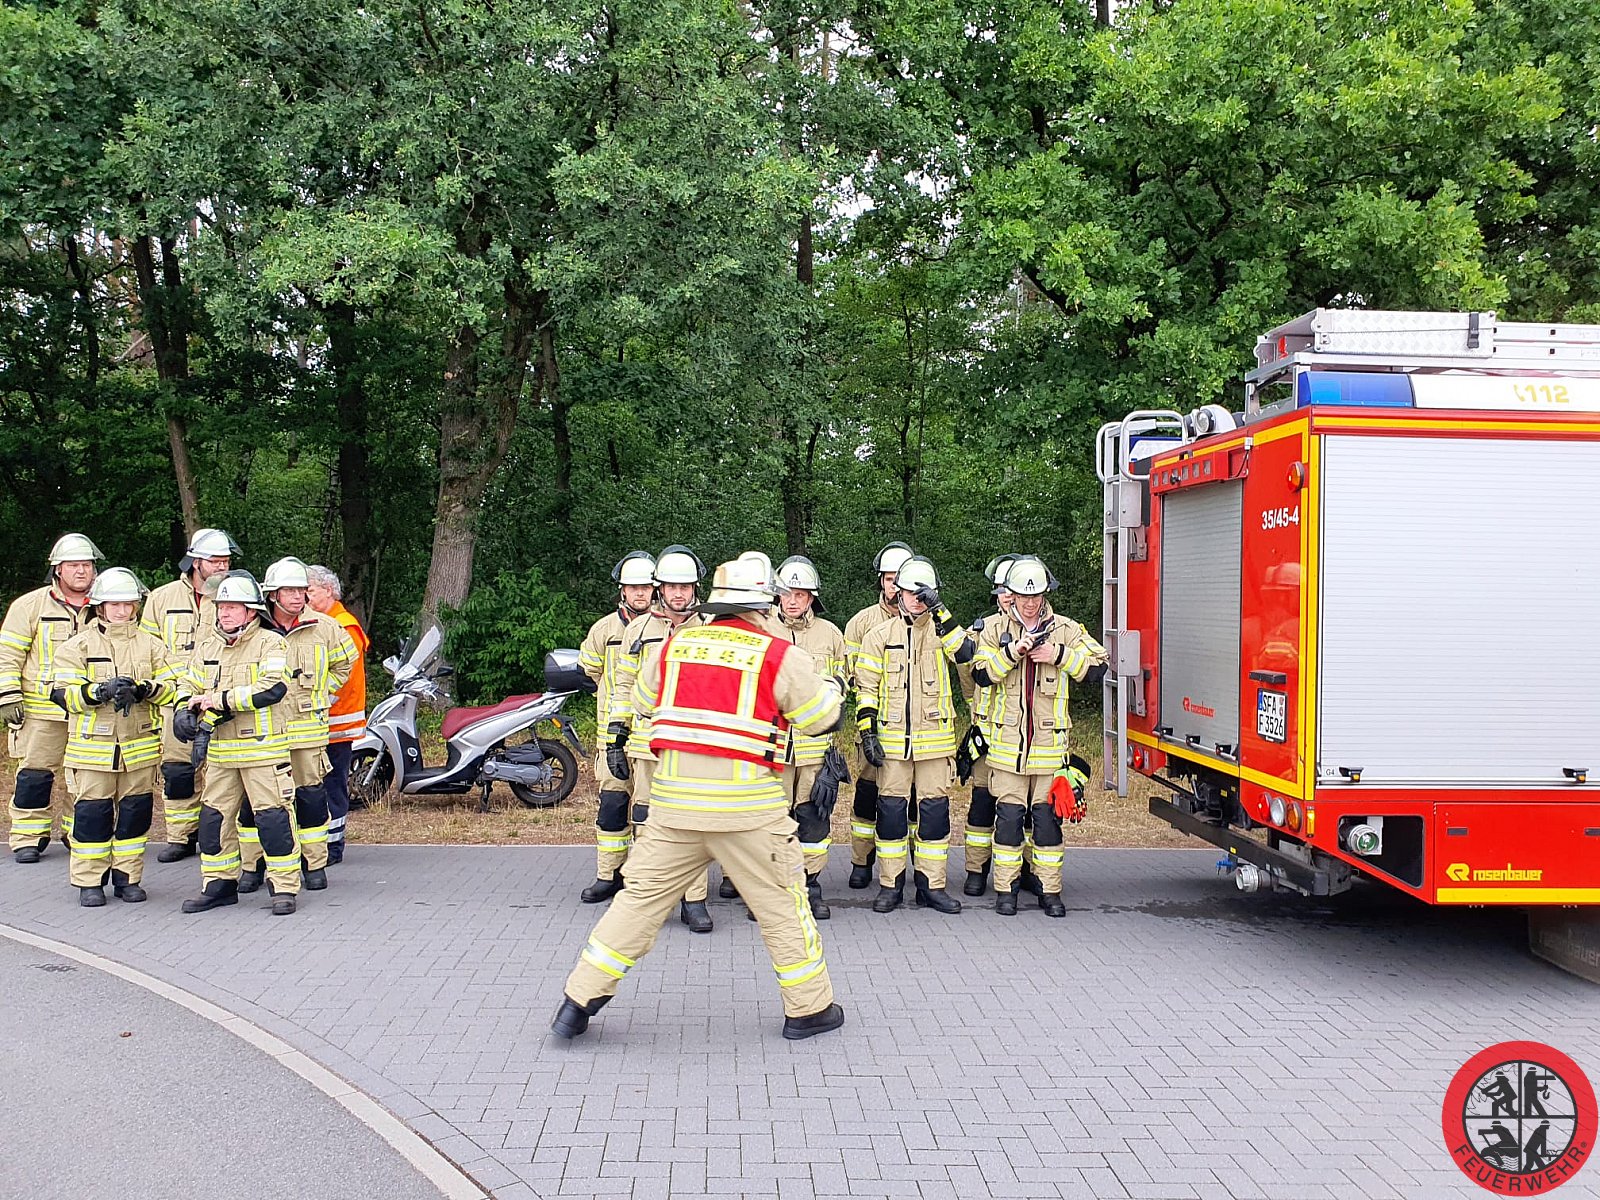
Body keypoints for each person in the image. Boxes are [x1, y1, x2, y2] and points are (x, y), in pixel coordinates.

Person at [551, 557, 846, 1042]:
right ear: (763, 606)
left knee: (637, 903)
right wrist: (832, 687)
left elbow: (642, 702)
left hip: (674, 808)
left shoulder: (674, 647)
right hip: (747, 812)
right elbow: (821, 719)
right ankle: (809, 1010)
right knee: (783, 907)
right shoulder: (778, 655)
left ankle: (577, 1003)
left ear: (714, 605)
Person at [972, 556, 1108, 916]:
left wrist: (1058, 655)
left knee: (1047, 825)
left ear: (1045, 594)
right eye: (1023, 596)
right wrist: (1012, 652)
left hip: (1049, 751)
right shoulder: (994, 629)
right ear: (1011, 595)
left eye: (1036, 596)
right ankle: (1006, 891)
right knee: (1008, 823)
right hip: (1006, 751)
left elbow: (1099, 666)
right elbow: (980, 673)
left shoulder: (1065, 629)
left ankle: (1050, 892)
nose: (1030, 603)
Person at [48, 568, 186, 905]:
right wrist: (99, 691)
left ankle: (128, 879)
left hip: (139, 752)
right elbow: (61, 693)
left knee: (135, 817)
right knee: (92, 818)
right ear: (100, 607)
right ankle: (89, 882)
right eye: (114, 605)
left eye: (128, 604)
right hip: (92, 752)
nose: (122, 611)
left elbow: (177, 688)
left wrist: (144, 689)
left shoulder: (152, 646)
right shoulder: (78, 646)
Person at [175, 571, 303, 916]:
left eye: (233, 606)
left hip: (263, 753)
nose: (225, 612)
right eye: (222, 606)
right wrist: (183, 708)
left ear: (251, 611)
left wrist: (219, 700)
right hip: (220, 754)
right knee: (213, 821)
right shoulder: (208, 646)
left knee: (273, 821)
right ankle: (218, 885)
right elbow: (188, 683)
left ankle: (283, 887)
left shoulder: (271, 643)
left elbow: (272, 688)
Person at [854, 555, 973, 915]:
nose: (916, 600)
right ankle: (890, 886)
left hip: (935, 744)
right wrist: (868, 732)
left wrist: (941, 611)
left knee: (934, 816)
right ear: (898, 594)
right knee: (891, 815)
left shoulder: (944, 632)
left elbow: (966, 654)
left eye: (923, 594)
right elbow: (865, 688)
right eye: (910, 592)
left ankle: (932, 887)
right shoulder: (878, 636)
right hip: (892, 744)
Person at [604, 546, 715, 931]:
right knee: (645, 821)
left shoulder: (710, 629)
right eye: (671, 586)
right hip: (647, 744)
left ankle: (694, 901)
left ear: (695, 588)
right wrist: (615, 735)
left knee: (693, 822)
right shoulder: (638, 631)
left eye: (685, 586)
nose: (678, 594)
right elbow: (624, 685)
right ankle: (649, 899)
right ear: (660, 589)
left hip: (694, 745)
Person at [235, 557, 356, 895]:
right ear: (272, 594)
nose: (297, 596)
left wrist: (321, 693)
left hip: (307, 733)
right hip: (261, 732)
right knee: (256, 803)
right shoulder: (253, 629)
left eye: (301, 590)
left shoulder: (325, 626)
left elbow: (346, 663)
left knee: (310, 799)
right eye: (289, 590)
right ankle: (253, 866)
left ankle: (313, 865)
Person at [142, 527, 239, 862]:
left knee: (221, 770)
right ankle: (181, 836)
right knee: (178, 771)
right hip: (175, 700)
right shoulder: (161, 598)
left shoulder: (234, 596)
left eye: (226, 560)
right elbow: (146, 649)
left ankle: (219, 838)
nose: (222, 566)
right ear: (195, 562)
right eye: (215, 560)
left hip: (220, 699)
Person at [2, 533, 101, 862]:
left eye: (86, 565)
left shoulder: (106, 605)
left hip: (88, 709)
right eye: (73, 565)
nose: (81, 571)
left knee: (86, 776)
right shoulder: (29, 606)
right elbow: (8, 654)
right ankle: (28, 837)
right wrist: (8, 695)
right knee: (34, 775)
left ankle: (77, 833)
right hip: (41, 711)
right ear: (58, 569)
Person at [577, 551, 656, 903]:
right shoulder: (604, 629)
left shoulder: (664, 629)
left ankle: (644, 878)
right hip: (611, 738)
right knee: (612, 806)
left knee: (647, 812)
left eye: (645, 587)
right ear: (622, 590)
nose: (639, 593)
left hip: (650, 740)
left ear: (655, 589)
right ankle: (608, 875)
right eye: (633, 587)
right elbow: (589, 672)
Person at [774, 555, 848, 920]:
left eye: (800, 594)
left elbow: (844, 684)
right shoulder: (763, 630)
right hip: (772, 748)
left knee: (813, 820)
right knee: (773, 821)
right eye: (787, 593)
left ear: (811, 598)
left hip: (814, 749)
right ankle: (775, 891)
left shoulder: (830, 635)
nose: (792, 600)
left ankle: (810, 886)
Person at [841, 541, 915, 890]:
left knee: (907, 802)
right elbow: (853, 676)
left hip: (911, 731)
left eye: (901, 578)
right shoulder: (861, 623)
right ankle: (861, 861)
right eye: (889, 579)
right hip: (871, 727)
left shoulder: (924, 620)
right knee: (868, 796)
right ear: (881, 581)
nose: (895, 586)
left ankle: (911, 866)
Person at [958, 554, 1019, 897]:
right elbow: (968, 678)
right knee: (982, 802)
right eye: (1002, 590)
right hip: (987, 734)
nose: (1008, 597)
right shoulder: (980, 632)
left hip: (1023, 736)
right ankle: (976, 870)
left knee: (1021, 809)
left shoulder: (1039, 631)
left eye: (1013, 590)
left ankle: (1024, 871)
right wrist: (975, 710)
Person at [305, 565, 368, 862]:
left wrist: (312, 704)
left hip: (336, 722)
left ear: (328, 591)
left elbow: (342, 679)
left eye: (310, 590)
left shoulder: (343, 626)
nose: (304, 597)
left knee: (332, 784)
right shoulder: (323, 622)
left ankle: (333, 845)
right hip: (322, 721)